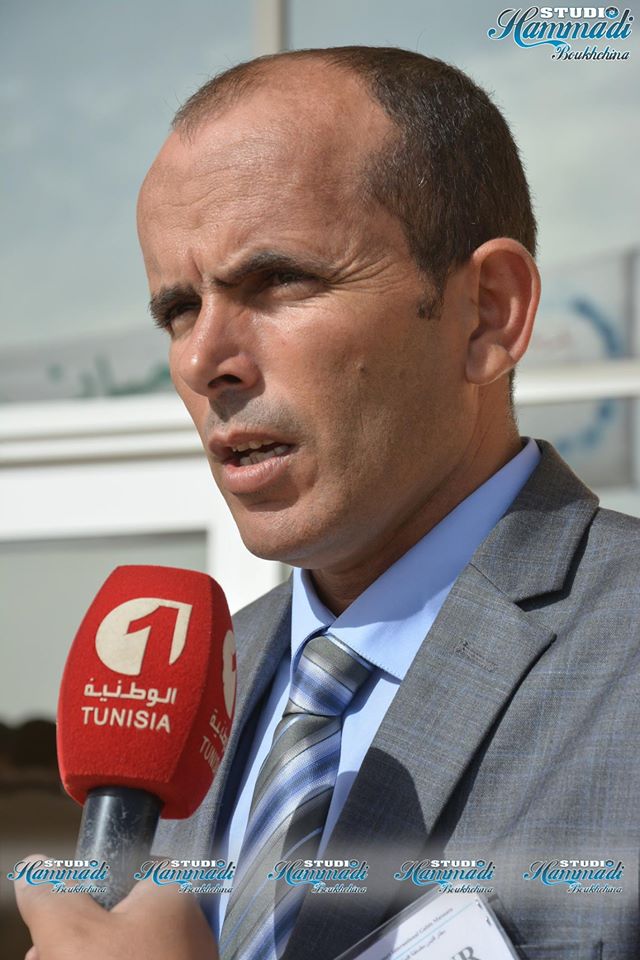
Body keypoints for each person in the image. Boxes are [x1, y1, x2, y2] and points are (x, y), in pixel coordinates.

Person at [16, 47, 640, 960]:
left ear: (488, 312)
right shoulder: (190, 695)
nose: (203, 360)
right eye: (179, 309)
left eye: (278, 281)